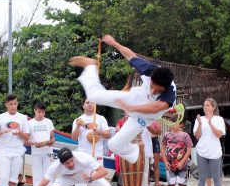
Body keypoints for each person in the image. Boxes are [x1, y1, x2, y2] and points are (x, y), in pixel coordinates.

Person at [70, 34, 176, 164]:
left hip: (143, 118)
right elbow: (130, 55)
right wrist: (114, 43)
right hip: (133, 98)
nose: (153, 91)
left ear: (165, 88)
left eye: (157, 90)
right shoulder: (150, 70)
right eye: (152, 86)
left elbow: (156, 107)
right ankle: (90, 65)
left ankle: (135, 155)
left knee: (113, 145)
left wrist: (132, 108)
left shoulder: (170, 92)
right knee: (93, 96)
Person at [71, 99, 111, 186]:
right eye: (87, 103)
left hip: (96, 152)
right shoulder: (78, 120)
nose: (90, 104)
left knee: (96, 178)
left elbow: (108, 134)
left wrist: (97, 131)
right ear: (83, 105)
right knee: (80, 178)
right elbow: (73, 138)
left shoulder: (100, 119)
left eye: (92, 103)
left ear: (95, 105)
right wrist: (78, 126)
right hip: (82, 153)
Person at [194, 98, 225, 186]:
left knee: (216, 177)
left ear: (213, 107)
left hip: (215, 151)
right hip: (202, 151)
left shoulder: (219, 119)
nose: (205, 107)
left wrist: (210, 123)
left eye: (208, 105)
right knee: (202, 177)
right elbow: (197, 136)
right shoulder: (199, 119)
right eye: (204, 105)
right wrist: (200, 123)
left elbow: (219, 135)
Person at [26, 101, 55, 186]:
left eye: (43, 112)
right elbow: (26, 140)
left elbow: (53, 138)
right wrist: (34, 144)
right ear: (34, 111)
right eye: (39, 112)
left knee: (49, 177)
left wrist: (50, 142)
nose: (41, 114)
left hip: (48, 151)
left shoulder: (48, 122)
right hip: (36, 152)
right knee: (37, 177)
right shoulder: (30, 123)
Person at [161, 120, 192, 186]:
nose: (172, 125)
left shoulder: (185, 136)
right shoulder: (167, 135)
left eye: (174, 123)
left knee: (182, 184)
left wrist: (182, 162)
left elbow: (189, 149)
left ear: (181, 124)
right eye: (170, 123)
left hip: (182, 165)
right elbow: (162, 149)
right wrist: (165, 161)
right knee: (170, 184)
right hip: (170, 164)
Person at [148, 121, 164, 186]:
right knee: (147, 165)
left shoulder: (156, 119)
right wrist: (155, 130)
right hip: (147, 140)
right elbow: (155, 131)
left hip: (154, 140)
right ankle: (147, 185)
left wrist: (155, 130)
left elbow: (159, 132)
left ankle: (157, 184)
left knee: (156, 164)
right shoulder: (145, 117)